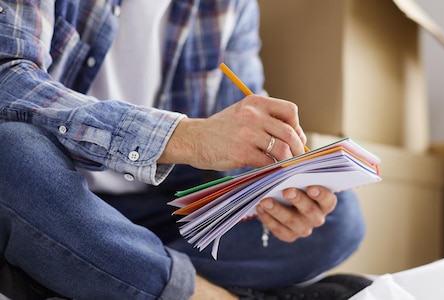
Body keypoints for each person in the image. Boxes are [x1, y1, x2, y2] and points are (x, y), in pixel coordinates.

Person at [0, 0, 370, 299]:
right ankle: (209, 295)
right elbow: (8, 80)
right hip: (56, 195)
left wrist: (273, 183)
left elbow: (241, 133)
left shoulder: (231, 6)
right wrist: (186, 137)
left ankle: (89, 273)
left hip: (163, 208)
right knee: (10, 154)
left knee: (339, 217)